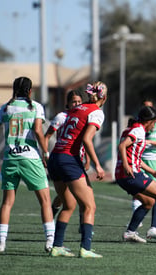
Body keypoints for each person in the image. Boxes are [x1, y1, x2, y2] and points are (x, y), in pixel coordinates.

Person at [0, 76, 55, 253]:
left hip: (10, 158)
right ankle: (50, 240)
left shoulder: (6, 107)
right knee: (45, 200)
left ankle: (1, 243)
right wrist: (46, 153)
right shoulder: (36, 107)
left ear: (14, 89)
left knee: (7, 202)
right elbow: (38, 132)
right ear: (30, 91)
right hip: (30, 158)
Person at [47, 81, 107, 258]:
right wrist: (98, 164)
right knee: (89, 206)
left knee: (69, 205)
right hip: (68, 159)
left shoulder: (75, 109)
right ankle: (86, 248)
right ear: (104, 97)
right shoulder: (96, 112)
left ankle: (57, 247)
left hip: (55, 157)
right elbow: (87, 140)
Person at [115, 106, 156, 243]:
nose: (154, 126)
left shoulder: (130, 129)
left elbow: (135, 158)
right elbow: (122, 146)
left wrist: (153, 172)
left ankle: (130, 232)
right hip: (131, 174)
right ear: (150, 121)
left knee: (148, 202)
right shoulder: (138, 130)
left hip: (122, 176)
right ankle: (155, 229)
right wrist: (126, 165)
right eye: (155, 122)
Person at [44, 90, 89, 219]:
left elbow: (86, 141)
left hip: (77, 159)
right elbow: (47, 136)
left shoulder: (84, 116)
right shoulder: (62, 116)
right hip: (65, 159)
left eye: (79, 102)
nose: (77, 104)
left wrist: (88, 160)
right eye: (74, 101)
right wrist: (45, 153)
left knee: (76, 194)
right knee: (69, 194)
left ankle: (83, 224)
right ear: (68, 103)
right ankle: (53, 215)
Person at [130, 99, 156, 227]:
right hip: (139, 158)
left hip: (153, 159)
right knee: (137, 190)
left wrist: (148, 143)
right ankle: (137, 219)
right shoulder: (137, 124)